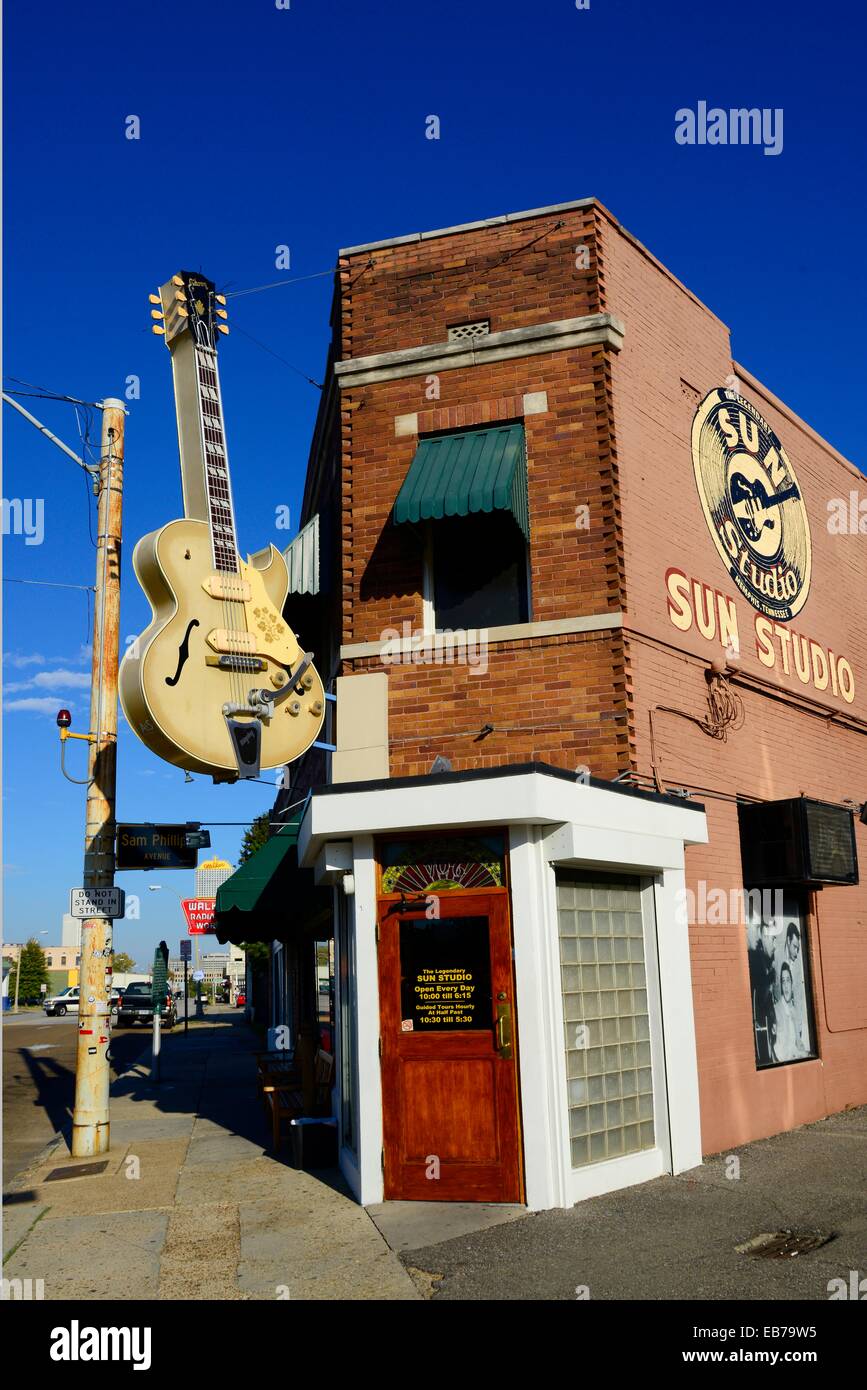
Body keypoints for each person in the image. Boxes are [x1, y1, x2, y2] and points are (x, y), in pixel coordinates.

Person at [748, 919, 778, 1064]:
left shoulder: (765, 963)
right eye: (773, 939)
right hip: (760, 1048)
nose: (775, 945)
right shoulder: (755, 961)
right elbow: (760, 999)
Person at [774, 961, 806, 1061]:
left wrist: (803, 1052)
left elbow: (798, 1042)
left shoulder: (794, 1010)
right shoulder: (776, 1009)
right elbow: (779, 1049)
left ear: (792, 984)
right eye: (783, 981)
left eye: (788, 980)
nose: (786, 986)